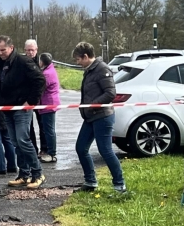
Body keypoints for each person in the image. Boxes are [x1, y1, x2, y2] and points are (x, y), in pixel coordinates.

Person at [73, 42, 126, 193]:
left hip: (102, 116)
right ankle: (90, 182)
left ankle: (119, 185)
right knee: (81, 148)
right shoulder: (90, 70)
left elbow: (110, 93)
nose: (78, 63)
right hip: (90, 117)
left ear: (85, 56)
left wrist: (92, 105)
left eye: (78, 59)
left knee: (105, 150)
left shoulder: (102, 69)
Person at [0, 35, 46, 189]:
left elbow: (40, 80)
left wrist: (30, 101)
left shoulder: (23, 62)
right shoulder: (1, 63)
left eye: (3, 49)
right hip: (8, 108)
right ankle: (24, 173)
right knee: (16, 142)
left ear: (11, 47)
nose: (1, 52)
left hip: (22, 108)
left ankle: (38, 173)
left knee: (23, 140)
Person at [24, 39, 47, 155]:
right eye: (28, 50)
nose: (30, 52)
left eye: (32, 50)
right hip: (27, 98)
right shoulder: (22, 62)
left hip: (40, 98)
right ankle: (33, 148)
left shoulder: (41, 62)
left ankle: (44, 148)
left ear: (36, 50)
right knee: (29, 126)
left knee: (42, 125)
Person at [38, 52, 61, 163]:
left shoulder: (47, 74)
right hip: (49, 103)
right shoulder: (50, 70)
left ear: (42, 61)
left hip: (48, 104)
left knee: (49, 130)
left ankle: (51, 153)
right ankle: (50, 151)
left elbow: (40, 88)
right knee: (48, 129)